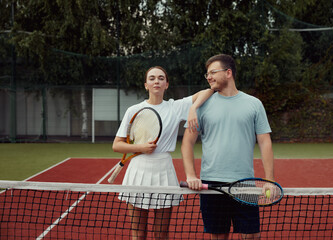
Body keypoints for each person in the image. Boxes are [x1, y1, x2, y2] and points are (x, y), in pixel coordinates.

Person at [112, 66, 213, 240]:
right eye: (152, 78)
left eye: (160, 78)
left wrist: (192, 108)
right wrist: (140, 148)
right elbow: (117, 145)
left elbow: (208, 91)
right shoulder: (133, 110)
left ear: (166, 84)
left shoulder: (175, 107)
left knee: (161, 233)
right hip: (138, 170)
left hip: (164, 170)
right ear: (146, 85)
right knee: (138, 232)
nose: (156, 81)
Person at [181, 54, 275, 240]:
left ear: (228, 73)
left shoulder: (254, 104)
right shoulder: (201, 106)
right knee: (218, 236)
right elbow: (187, 143)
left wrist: (269, 180)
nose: (209, 77)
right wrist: (191, 175)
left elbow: (265, 142)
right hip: (212, 185)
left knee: (251, 236)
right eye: (207, 74)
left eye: (213, 72)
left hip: (245, 184)